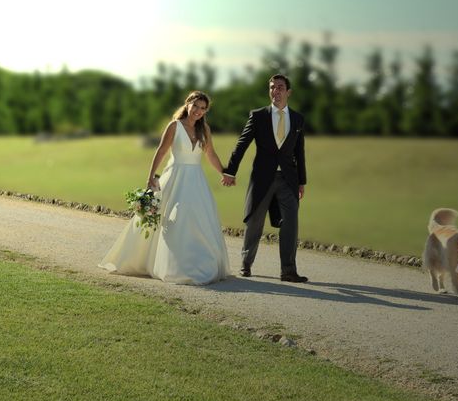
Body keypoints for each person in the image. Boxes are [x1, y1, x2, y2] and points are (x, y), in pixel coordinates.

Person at [99, 91, 230, 285]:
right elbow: (161, 151)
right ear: (188, 104)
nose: (198, 111)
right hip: (175, 177)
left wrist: (224, 172)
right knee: (172, 219)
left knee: (198, 220)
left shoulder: (205, 129)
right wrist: (151, 176)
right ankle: (167, 264)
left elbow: (210, 153)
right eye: (195, 106)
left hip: (196, 181)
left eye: (203, 109)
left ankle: (198, 263)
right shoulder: (175, 126)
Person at [222, 74, 308, 283]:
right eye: (272, 88)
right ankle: (245, 264)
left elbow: (299, 151)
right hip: (262, 178)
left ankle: (288, 270)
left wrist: (302, 181)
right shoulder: (258, 115)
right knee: (254, 221)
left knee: (290, 223)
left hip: (288, 179)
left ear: (288, 92)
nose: (275, 91)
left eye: (280, 87)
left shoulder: (297, 119)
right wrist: (230, 171)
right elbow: (242, 144)